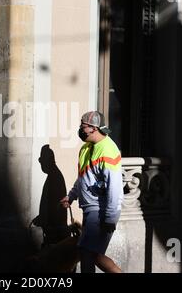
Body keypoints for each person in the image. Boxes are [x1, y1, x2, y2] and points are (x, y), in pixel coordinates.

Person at [60, 111, 124, 273]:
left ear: (94, 128)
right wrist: (72, 195)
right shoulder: (86, 148)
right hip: (90, 210)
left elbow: (115, 188)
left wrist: (109, 218)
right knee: (88, 253)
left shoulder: (108, 150)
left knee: (89, 253)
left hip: (100, 211)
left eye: (83, 126)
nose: (80, 130)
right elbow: (83, 177)